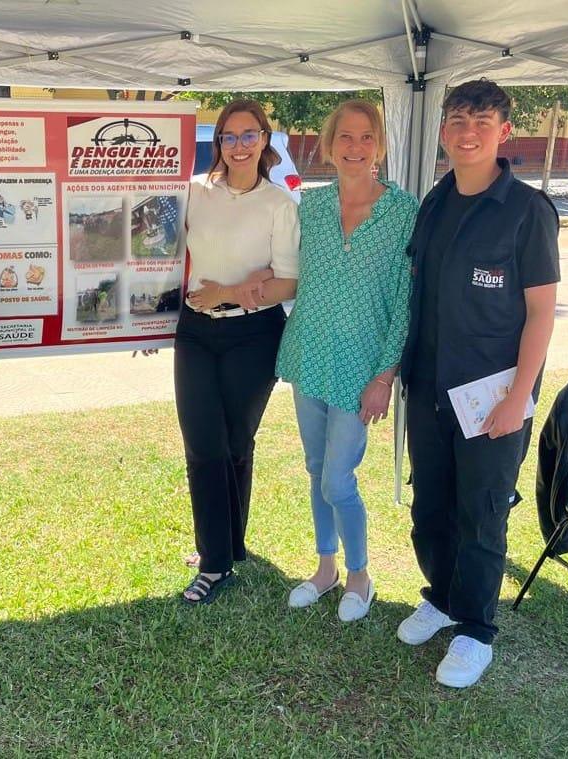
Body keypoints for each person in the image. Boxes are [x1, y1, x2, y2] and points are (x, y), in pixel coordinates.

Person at [398, 79, 560, 688]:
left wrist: (519, 398)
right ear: (443, 129)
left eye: (482, 121)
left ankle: (475, 630)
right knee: (430, 505)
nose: (469, 131)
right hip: (431, 388)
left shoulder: (526, 211)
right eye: (459, 119)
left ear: (503, 131)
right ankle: (440, 599)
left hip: (493, 394)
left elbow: (541, 312)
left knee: (483, 511)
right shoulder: (436, 201)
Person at [275, 100, 418, 622]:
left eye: (366, 138)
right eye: (346, 138)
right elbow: (289, 274)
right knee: (316, 469)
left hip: (363, 367)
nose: (355, 148)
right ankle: (325, 568)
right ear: (329, 145)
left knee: (339, 478)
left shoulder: (404, 211)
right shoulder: (309, 208)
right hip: (309, 353)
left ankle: (361, 574)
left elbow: (406, 300)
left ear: (378, 145)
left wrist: (386, 375)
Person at [177, 99, 300, 604]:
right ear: (218, 144)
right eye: (230, 136)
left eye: (250, 136)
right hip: (195, 333)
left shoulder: (279, 204)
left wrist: (231, 292)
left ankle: (226, 547)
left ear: (265, 141)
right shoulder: (194, 193)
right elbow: (156, 251)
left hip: (254, 334)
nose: (240, 145)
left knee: (234, 442)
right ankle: (216, 557)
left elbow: (287, 283)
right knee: (204, 443)